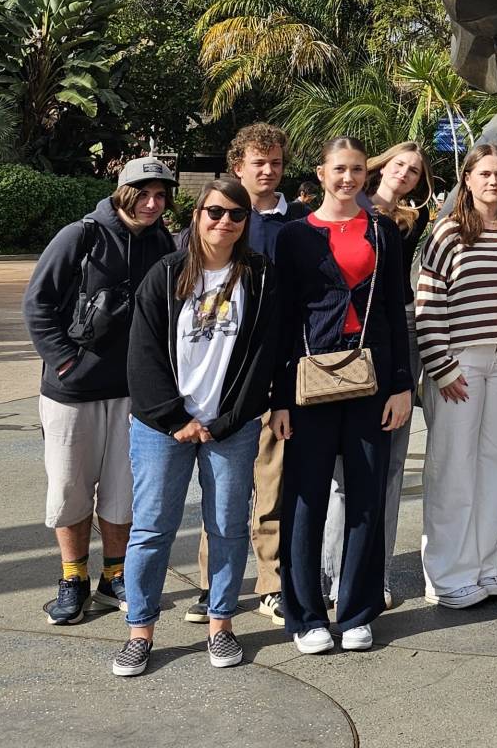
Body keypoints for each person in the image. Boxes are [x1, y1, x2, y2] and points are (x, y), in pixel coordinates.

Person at [114, 176, 280, 677]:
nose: (224, 222)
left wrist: (230, 419)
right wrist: (174, 419)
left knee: (228, 528)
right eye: (214, 212)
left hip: (232, 427)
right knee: (151, 529)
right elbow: (141, 355)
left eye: (236, 214)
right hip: (162, 428)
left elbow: (263, 356)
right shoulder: (164, 275)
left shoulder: (260, 276)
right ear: (197, 215)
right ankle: (139, 632)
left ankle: (221, 623)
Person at [271, 137, 413, 654]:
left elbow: (396, 312)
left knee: (366, 499)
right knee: (305, 502)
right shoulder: (293, 236)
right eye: (339, 169)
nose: (348, 178)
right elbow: (282, 319)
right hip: (310, 384)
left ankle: (356, 609)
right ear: (321, 172)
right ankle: (305, 615)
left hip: (371, 382)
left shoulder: (383, 231)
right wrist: (279, 398)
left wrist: (403, 385)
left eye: (356, 170)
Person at [24, 156, 179, 626]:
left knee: (122, 492)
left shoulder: (162, 242)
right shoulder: (81, 235)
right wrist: (67, 362)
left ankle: (115, 576)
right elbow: (38, 304)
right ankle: (73, 578)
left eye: (161, 195)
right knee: (70, 489)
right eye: (143, 193)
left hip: (134, 393)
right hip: (73, 392)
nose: (152, 204)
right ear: (122, 191)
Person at [416, 142, 497, 609]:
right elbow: (429, 306)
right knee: (453, 469)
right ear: (467, 180)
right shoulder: (447, 232)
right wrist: (441, 366)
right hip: (459, 363)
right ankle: (448, 576)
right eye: (484, 174)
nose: (493, 181)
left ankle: (485, 566)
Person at [192, 123, 298, 626]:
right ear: (238, 167)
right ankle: (213, 588)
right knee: (222, 490)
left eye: (275, 162)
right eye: (258, 162)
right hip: (220, 379)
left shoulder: (297, 222)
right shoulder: (217, 220)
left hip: (277, 372)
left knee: (272, 486)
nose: (268, 170)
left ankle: (272, 584)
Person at [320, 139, 433, 611]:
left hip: (395, 330)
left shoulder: (408, 222)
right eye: (400, 165)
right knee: (338, 471)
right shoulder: (336, 210)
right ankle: (331, 573)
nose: (404, 174)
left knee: (387, 464)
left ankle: (376, 574)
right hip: (336, 339)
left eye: (414, 172)